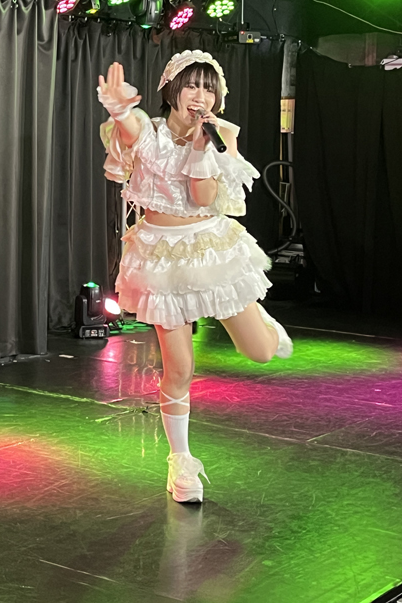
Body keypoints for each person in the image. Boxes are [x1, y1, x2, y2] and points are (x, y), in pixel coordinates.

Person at [98, 50, 292, 504]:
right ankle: (181, 461)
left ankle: (261, 320)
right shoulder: (150, 131)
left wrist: (204, 147)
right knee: (179, 368)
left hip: (210, 247)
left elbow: (204, 196)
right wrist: (120, 110)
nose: (200, 96)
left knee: (261, 352)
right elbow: (131, 131)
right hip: (160, 256)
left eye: (209, 88)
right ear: (172, 90)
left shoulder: (220, 137)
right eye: (191, 85)